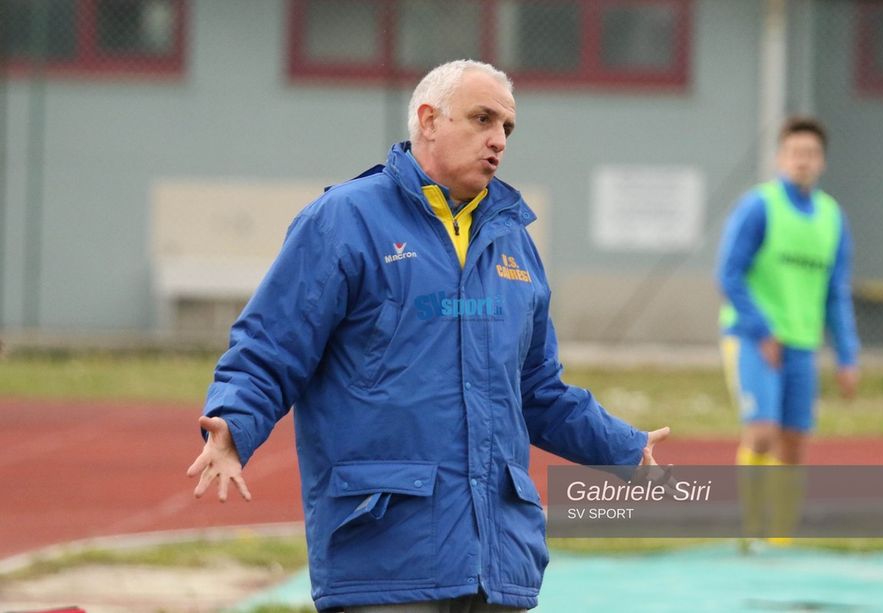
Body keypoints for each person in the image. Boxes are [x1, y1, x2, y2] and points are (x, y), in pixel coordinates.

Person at [187, 59, 668, 612]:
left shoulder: (514, 242)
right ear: (429, 119)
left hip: (498, 559)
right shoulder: (343, 220)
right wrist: (232, 424)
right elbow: (272, 346)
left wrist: (624, 449)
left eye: (507, 128)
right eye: (482, 119)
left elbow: (536, 389)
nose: (498, 140)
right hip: (386, 552)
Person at [717, 115, 860, 470]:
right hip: (754, 338)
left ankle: (779, 528)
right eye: (795, 151)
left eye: (811, 152)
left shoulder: (832, 217)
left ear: (822, 161)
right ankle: (752, 525)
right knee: (763, 435)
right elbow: (728, 274)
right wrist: (762, 330)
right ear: (781, 158)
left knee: (794, 445)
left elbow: (836, 292)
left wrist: (846, 356)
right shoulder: (758, 206)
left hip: (802, 342)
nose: (802, 159)